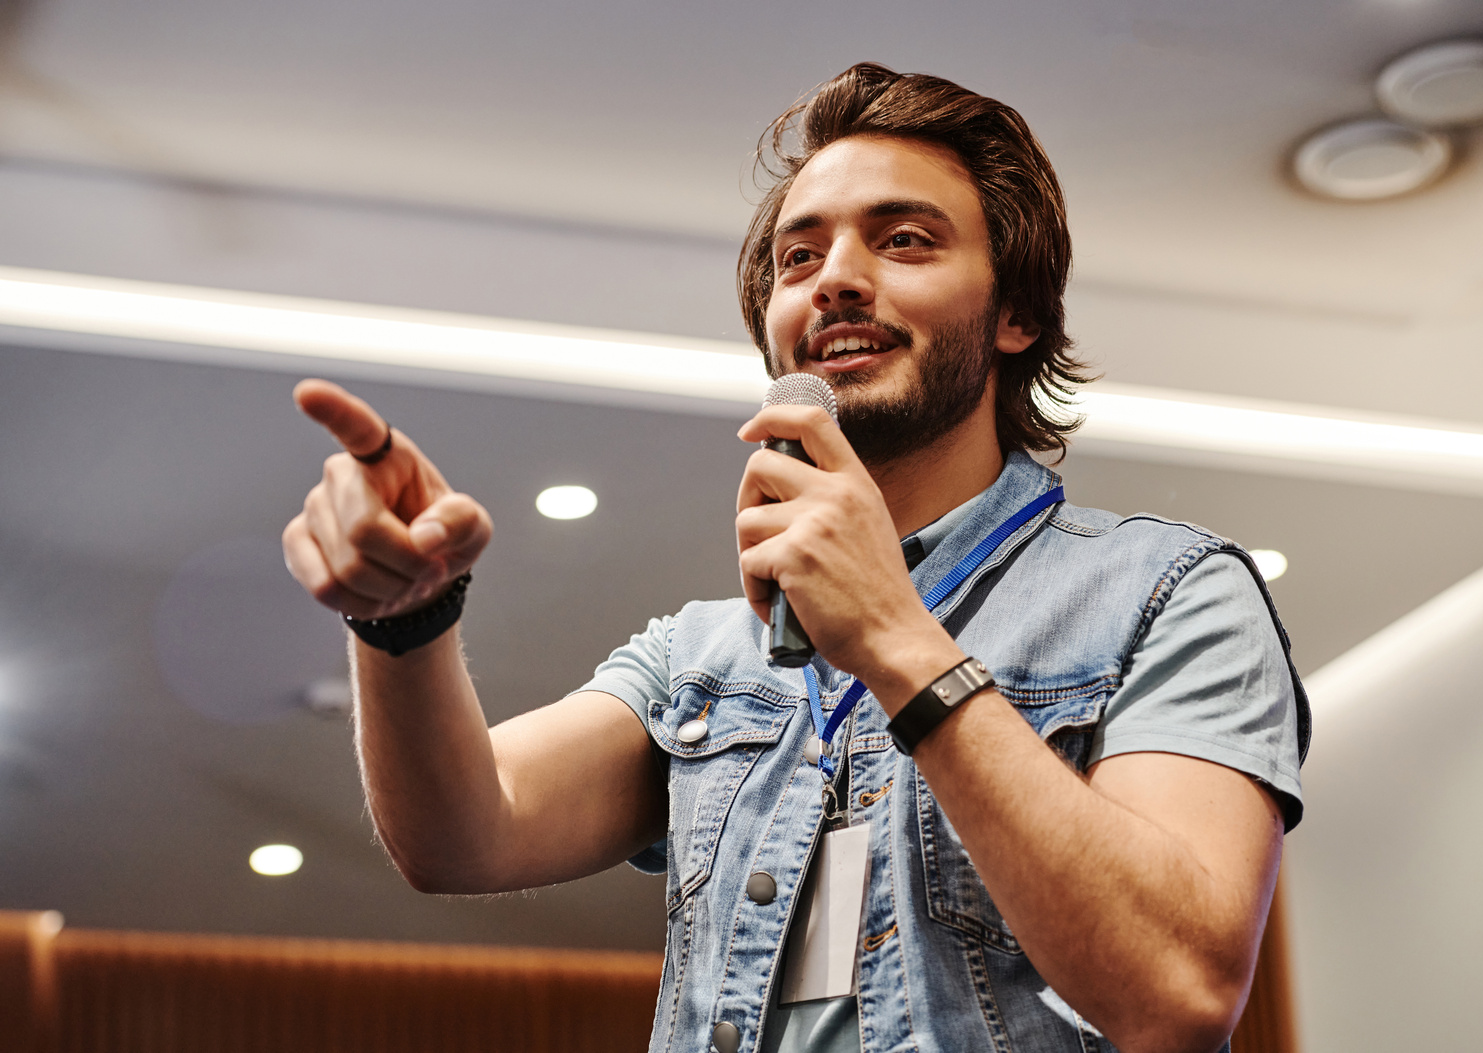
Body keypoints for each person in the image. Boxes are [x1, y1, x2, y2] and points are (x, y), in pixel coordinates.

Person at [282, 63, 1308, 1053]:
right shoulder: (702, 657)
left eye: (903, 240)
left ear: (1016, 314)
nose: (837, 282)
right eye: (799, 257)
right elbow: (466, 836)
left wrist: (900, 643)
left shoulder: (1166, 595)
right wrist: (404, 623)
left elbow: (1178, 997)